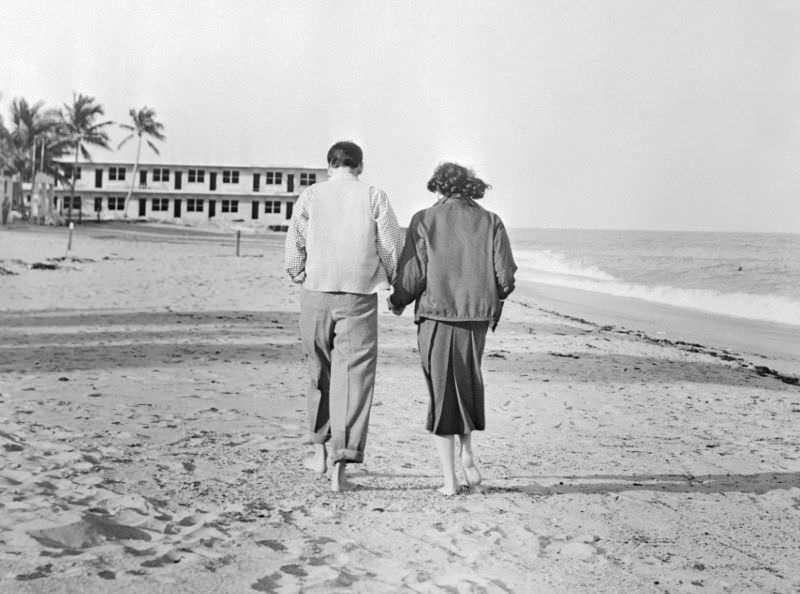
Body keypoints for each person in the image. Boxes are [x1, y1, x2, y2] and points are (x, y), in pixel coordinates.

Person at [389, 162, 516, 495]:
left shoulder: (424, 219)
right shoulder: (491, 220)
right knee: (466, 383)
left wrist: (398, 301)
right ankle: (468, 453)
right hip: (476, 318)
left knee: (443, 392)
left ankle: (450, 480)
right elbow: (505, 278)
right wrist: (488, 296)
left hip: (438, 315)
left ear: (437, 187)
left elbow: (413, 275)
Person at [285, 140, 404, 492]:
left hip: (316, 293)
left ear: (329, 166)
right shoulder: (374, 196)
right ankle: (340, 467)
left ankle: (320, 453)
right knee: (352, 380)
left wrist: (298, 274)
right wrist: (390, 279)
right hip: (358, 296)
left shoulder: (310, 195)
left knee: (318, 373)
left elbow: (295, 244)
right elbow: (391, 245)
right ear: (360, 167)